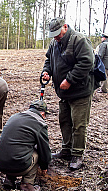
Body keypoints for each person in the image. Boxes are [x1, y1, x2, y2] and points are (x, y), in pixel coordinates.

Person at [42, 18, 95, 170]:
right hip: (63, 93)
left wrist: (69, 80)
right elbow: (49, 61)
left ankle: (77, 154)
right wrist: (46, 72)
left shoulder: (79, 40)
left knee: (79, 124)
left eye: (58, 34)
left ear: (65, 27)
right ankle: (66, 150)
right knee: (64, 121)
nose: (56, 37)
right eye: (53, 35)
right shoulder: (54, 43)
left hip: (80, 91)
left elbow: (86, 62)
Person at [0, 100, 51, 191]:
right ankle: (27, 184)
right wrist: (44, 166)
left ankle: (9, 179)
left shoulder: (15, 116)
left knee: (16, 148)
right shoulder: (40, 124)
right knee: (36, 153)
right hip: (17, 165)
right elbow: (44, 150)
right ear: (43, 114)